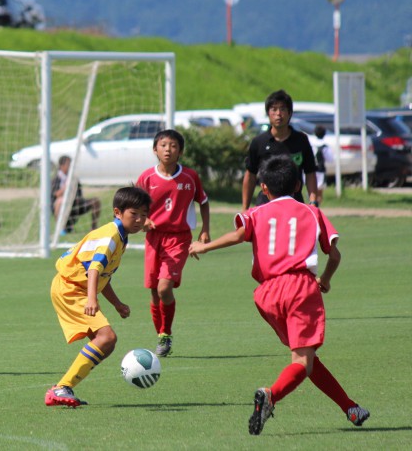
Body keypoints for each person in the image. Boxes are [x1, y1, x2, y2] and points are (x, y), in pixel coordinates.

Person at [188, 155, 369, 435]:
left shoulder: (256, 213)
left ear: (263, 188)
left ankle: (350, 408)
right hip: (299, 288)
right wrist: (325, 280)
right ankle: (270, 395)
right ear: (298, 184)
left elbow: (238, 235)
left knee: (306, 359)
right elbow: (334, 255)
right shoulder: (312, 212)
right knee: (302, 361)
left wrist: (204, 247)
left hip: (267, 293)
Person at [46, 186, 152, 408]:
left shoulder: (120, 236)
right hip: (71, 288)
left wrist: (117, 304)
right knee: (107, 338)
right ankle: (61, 387)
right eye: (134, 214)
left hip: (74, 287)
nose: (139, 220)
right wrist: (92, 299)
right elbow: (94, 268)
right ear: (117, 212)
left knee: (107, 342)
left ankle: (63, 388)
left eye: (144, 215)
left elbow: (104, 276)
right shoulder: (111, 236)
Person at [136, 129, 210, 357]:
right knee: (154, 292)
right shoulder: (146, 178)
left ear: (180, 151)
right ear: (155, 150)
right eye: (163, 145)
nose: (168, 149)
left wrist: (205, 230)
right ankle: (161, 335)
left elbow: (203, 201)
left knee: (164, 287)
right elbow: (135, 206)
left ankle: (166, 333)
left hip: (179, 239)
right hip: (154, 238)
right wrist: (144, 220)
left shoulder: (189, 177)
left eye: (173, 145)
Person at [242, 89, 318, 211]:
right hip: (265, 206)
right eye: (274, 109)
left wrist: (313, 201)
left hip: (294, 205)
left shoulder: (301, 140)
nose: (278, 114)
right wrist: (245, 208)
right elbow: (250, 175)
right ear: (268, 113)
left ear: (289, 113)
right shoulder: (259, 142)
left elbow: (310, 172)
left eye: (282, 109)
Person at [51, 155, 101, 234]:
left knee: (95, 201)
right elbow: (56, 195)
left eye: (71, 164)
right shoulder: (56, 179)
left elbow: (79, 193)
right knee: (60, 201)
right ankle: (60, 228)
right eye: (68, 164)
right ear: (61, 166)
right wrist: (66, 187)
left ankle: (93, 228)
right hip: (63, 206)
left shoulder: (73, 178)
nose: (70, 166)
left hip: (75, 204)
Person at [311, 125, 333, 206]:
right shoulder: (324, 146)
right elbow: (330, 159)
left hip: (311, 170)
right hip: (320, 170)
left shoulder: (311, 144)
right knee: (319, 192)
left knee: (312, 190)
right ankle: (316, 208)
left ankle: (312, 206)